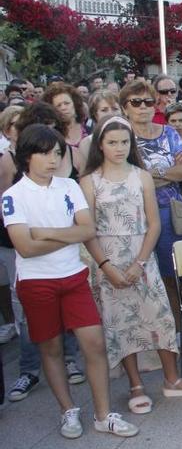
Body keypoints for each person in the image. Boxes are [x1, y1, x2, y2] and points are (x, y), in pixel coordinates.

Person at [2, 124, 139, 439]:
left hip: (73, 276)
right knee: (50, 348)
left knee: (94, 343)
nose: (52, 160)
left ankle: (103, 414)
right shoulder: (13, 196)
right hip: (37, 282)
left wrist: (46, 233)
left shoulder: (69, 187)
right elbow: (25, 247)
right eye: (44, 153)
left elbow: (87, 230)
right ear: (27, 155)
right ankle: (68, 410)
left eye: (56, 153)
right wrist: (68, 236)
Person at [80, 117, 182, 415]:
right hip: (107, 260)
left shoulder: (142, 176)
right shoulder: (89, 182)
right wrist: (106, 266)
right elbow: (87, 231)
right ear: (100, 145)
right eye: (112, 142)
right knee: (121, 323)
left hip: (142, 256)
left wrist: (141, 261)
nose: (119, 148)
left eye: (125, 142)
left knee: (159, 317)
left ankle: (172, 379)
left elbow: (154, 223)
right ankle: (135, 384)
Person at [119, 81, 182, 357]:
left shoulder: (168, 133)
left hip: (168, 214)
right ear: (124, 107)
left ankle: (179, 334)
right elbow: (121, 177)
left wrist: (149, 177)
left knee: (171, 279)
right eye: (135, 102)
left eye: (148, 102)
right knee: (139, 280)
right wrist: (166, 173)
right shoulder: (120, 137)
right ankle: (146, 341)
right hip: (132, 217)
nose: (143, 107)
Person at [43, 83, 90, 148]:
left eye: (67, 103)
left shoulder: (89, 129)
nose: (63, 108)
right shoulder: (51, 134)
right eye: (58, 105)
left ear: (75, 104)